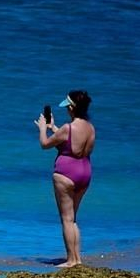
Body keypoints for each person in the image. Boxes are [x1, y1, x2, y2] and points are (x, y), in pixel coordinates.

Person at [37, 90, 95, 267]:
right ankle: (77, 258)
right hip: (85, 172)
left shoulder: (68, 128)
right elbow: (72, 147)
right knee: (73, 218)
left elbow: (45, 144)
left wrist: (42, 129)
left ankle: (71, 260)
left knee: (66, 219)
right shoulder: (90, 128)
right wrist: (53, 128)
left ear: (72, 107)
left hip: (66, 174)